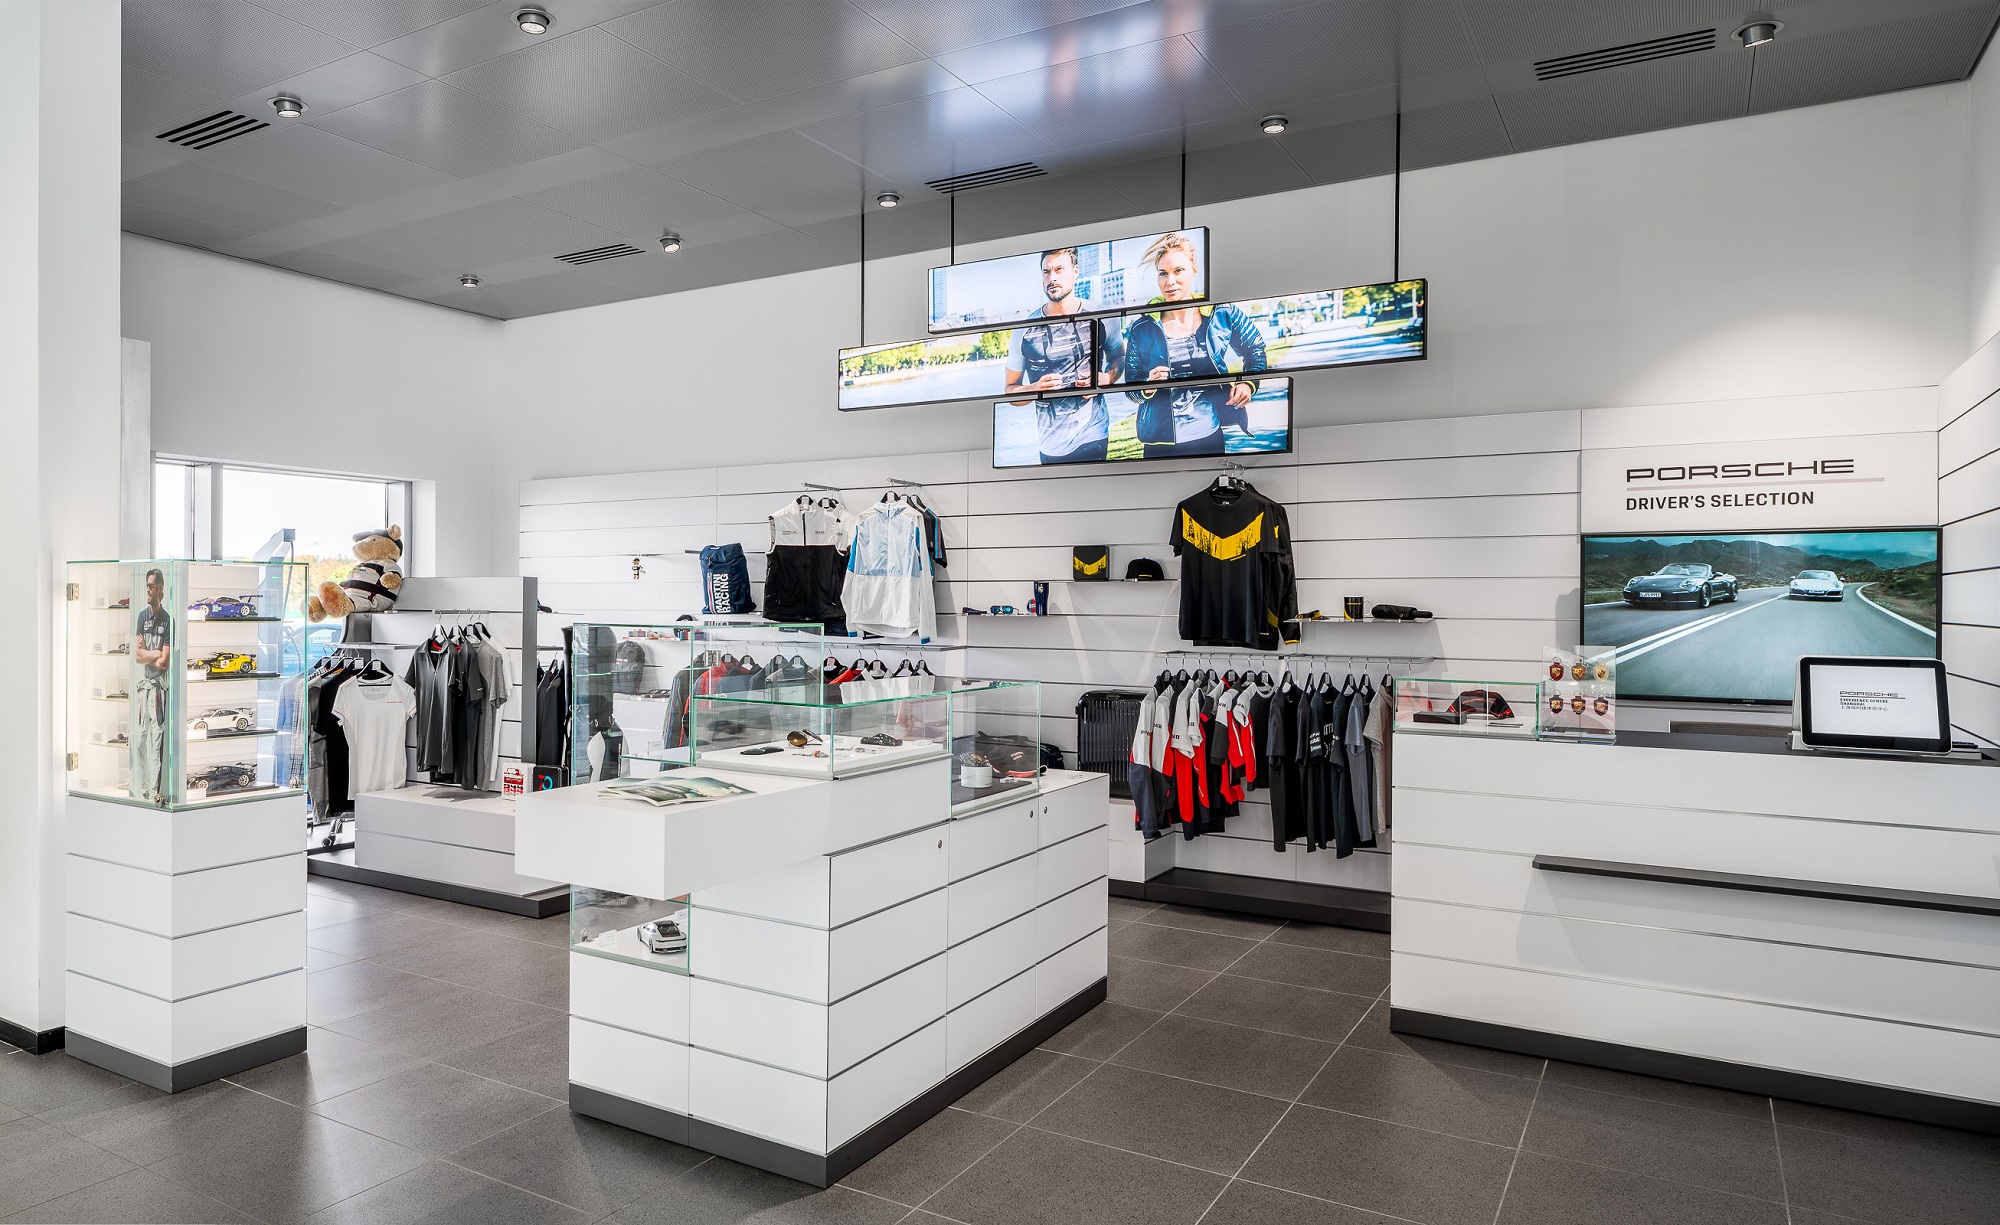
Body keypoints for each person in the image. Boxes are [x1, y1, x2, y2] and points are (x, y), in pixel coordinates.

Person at [1121, 232, 1267, 458]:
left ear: (1194, 269)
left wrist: (1248, 384)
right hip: (1159, 444)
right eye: (1163, 273)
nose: (1170, 281)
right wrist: (1147, 387)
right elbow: (1131, 390)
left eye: (1178, 271)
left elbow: (1255, 349)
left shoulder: (1221, 313)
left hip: (1208, 435)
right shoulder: (1142, 327)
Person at [1003, 247, 1110, 465]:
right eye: (1046, 272)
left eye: (1059, 269)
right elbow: (1010, 391)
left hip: (1094, 434)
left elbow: (1118, 360)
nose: (1052, 278)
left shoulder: (1100, 316)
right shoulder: (1023, 331)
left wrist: (1104, 379)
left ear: (1075, 271)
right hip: (1050, 446)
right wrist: (1036, 388)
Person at [132, 567, 172, 804]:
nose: (147, 590)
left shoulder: (167, 620)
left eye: (151, 586)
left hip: (158, 691)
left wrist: (151, 655)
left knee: (156, 743)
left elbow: (164, 664)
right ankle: (144, 789)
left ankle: (155, 794)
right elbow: (137, 656)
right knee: (139, 741)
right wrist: (154, 653)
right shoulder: (141, 617)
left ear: (160, 589)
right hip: (143, 689)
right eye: (146, 586)